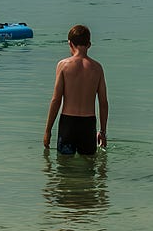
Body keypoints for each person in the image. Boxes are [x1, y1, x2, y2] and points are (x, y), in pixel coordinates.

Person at [43, 24, 108, 155]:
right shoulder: (97, 68)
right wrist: (102, 132)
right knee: (89, 169)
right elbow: (103, 102)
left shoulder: (63, 65)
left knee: (64, 168)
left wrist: (48, 130)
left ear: (70, 43)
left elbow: (56, 100)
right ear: (89, 44)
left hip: (68, 123)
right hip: (88, 124)